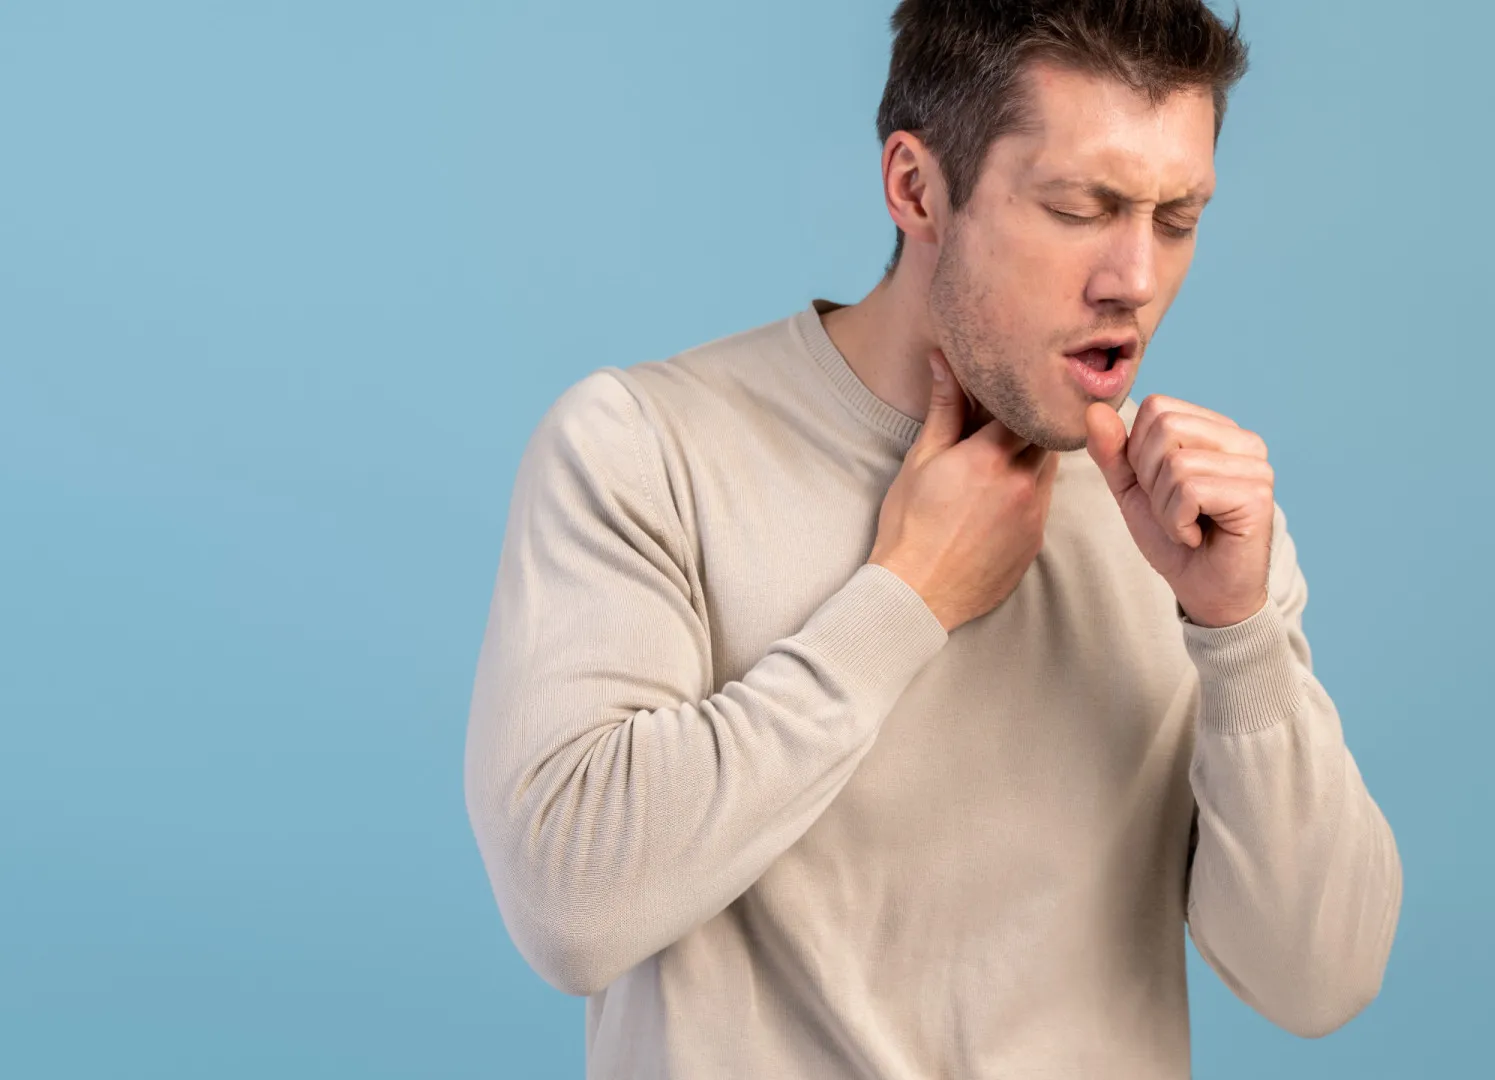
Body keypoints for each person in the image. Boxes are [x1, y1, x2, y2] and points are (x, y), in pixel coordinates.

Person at [463, 1, 1403, 1075]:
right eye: (1080, 208)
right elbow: (570, 909)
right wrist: (903, 599)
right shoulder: (647, 450)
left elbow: (1319, 979)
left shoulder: (1193, 532)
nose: (1135, 279)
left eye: (1177, 218)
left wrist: (1237, 632)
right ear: (917, 188)